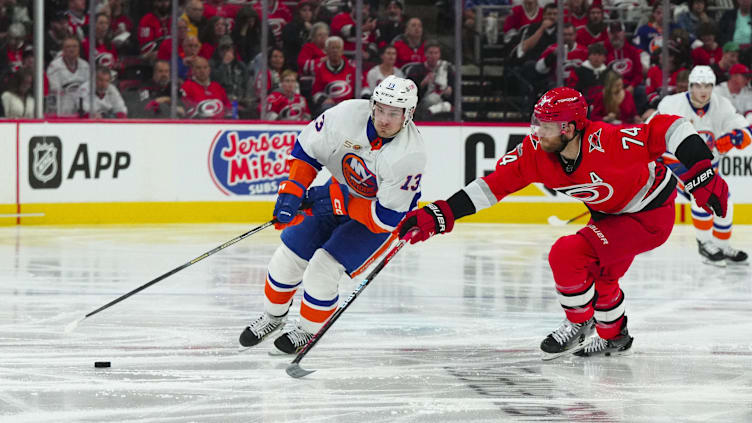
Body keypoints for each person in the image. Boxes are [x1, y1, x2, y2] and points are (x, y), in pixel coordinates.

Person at [396, 86, 729, 358]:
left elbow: (671, 127)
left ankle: (579, 321)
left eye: (546, 125)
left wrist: (702, 170)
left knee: (567, 254)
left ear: (569, 128)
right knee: (603, 278)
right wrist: (442, 213)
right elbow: (491, 187)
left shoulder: (609, 142)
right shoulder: (536, 153)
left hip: (650, 215)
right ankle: (616, 337)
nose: (536, 131)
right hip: (609, 216)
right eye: (537, 122)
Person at [238, 75, 426, 354]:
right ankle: (273, 317)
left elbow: (385, 219)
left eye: (394, 113)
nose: (384, 119)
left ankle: (308, 330)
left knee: (322, 271)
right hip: (338, 193)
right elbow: (307, 151)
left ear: (408, 114)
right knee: (287, 257)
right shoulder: (347, 114)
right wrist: (292, 193)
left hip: (375, 219)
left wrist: (340, 202)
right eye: (380, 109)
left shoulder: (408, 155)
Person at [657, 65, 749, 265]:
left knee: (726, 203)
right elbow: (650, 129)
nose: (703, 90)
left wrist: (736, 136)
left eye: (708, 85)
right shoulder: (672, 104)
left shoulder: (721, 105)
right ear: (690, 86)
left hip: (708, 166)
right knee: (702, 194)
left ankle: (722, 246)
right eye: (698, 85)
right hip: (675, 164)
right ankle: (704, 243)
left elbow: (743, 129)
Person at [47, 36, 90, 116]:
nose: (72, 49)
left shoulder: (85, 66)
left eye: (75, 46)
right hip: (62, 108)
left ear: (79, 49)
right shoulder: (54, 66)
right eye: (68, 47)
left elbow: (88, 88)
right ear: (63, 50)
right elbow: (54, 89)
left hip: (82, 108)